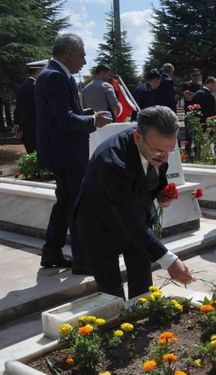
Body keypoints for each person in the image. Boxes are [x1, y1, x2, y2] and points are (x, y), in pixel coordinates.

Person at [75, 106, 195, 299]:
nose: (164, 158)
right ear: (138, 137)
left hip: (134, 219)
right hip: (100, 223)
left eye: (170, 150)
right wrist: (170, 261)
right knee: (111, 293)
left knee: (143, 287)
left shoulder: (156, 144)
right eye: (158, 151)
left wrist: (159, 193)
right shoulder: (113, 163)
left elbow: (152, 171)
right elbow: (129, 219)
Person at [35, 33, 112, 273]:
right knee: (77, 205)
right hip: (66, 154)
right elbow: (65, 120)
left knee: (65, 203)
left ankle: (51, 253)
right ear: (69, 54)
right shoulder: (55, 77)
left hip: (62, 152)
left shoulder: (54, 75)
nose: (85, 62)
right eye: (83, 55)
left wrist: (86, 113)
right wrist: (92, 120)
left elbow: (64, 112)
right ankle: (84, 261)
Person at [13, 60, 47, 154]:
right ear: (39, 70)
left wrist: (17, 124)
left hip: (30, 133)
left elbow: (18, 109)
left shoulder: (24, 86)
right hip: (36, 132)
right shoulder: (34, 87)